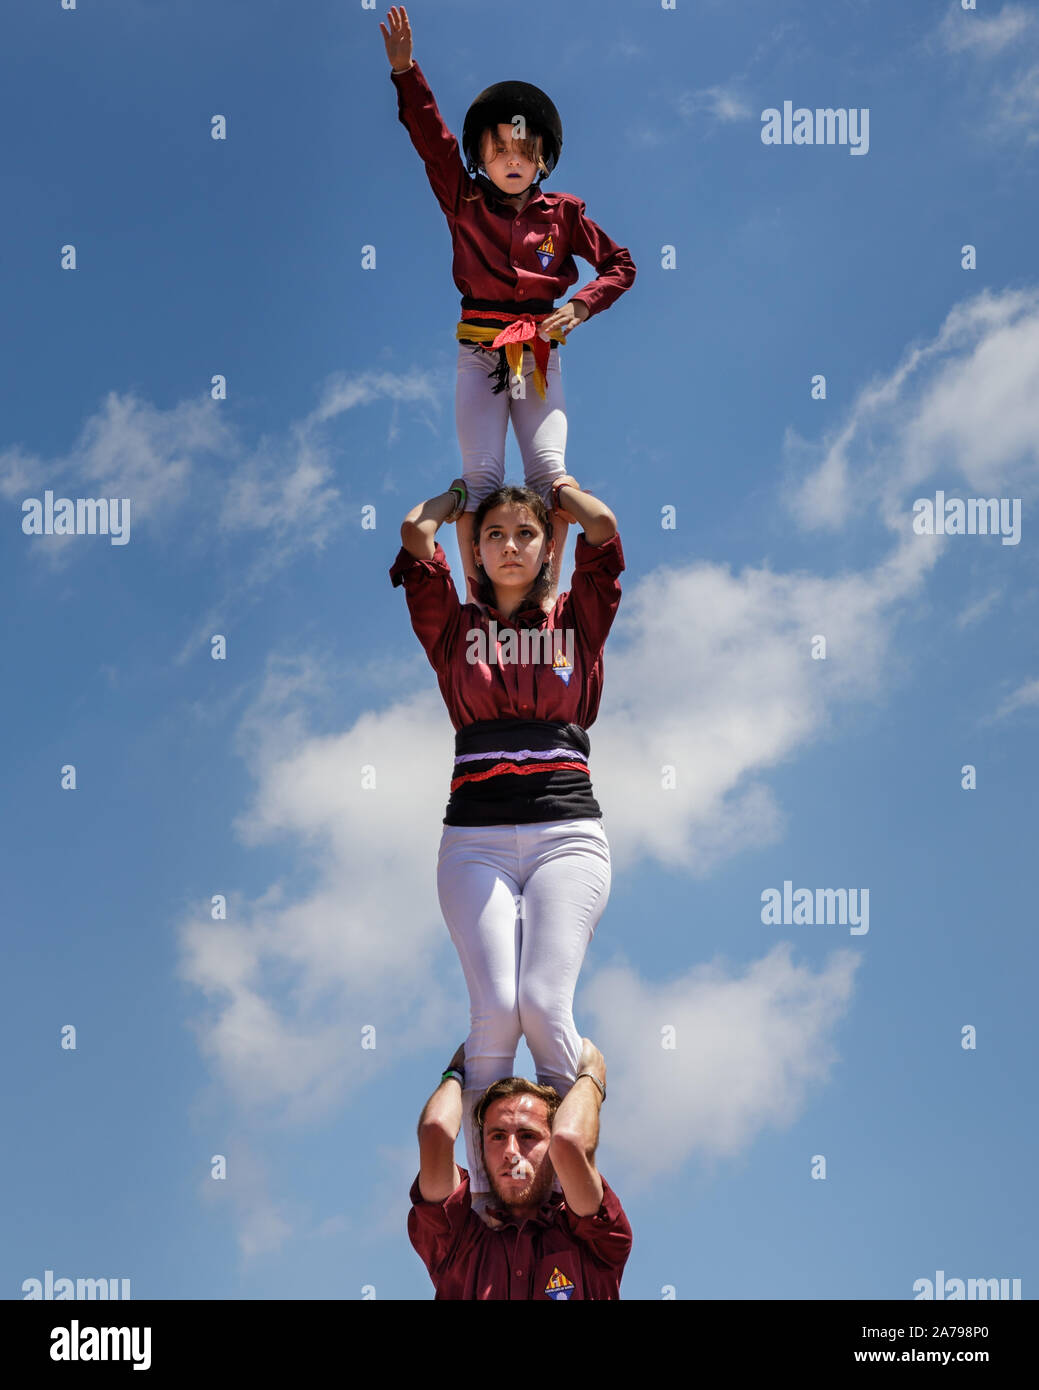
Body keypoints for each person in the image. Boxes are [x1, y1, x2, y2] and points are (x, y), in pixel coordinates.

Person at [389, 474, 623, 1212]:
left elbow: (605, 532)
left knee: (542, 1002)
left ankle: (563, 1189)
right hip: (475, 840)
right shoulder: (455, 629)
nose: (510, 546)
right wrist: (459, 497)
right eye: (494, 537)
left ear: (546, 544)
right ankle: (491, 1201)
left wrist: (556, 489)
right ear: (477, 554)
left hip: (565, 834)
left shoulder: (576, 618)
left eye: (525, 534)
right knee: (492, 1008)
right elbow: (413, 537)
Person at [379, 5, 636, 603]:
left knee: (549, 475)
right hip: (479, 353)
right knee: (482, 479)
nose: (511, 158)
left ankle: (545, 603)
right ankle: (479, 606)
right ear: (481, 158)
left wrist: (581, 305)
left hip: (539, 355)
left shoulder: (565, 214)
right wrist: (405, 72)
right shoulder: (462, 198)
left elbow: (622, 265)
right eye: (497, 149)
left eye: (524, 148)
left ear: (543, 157)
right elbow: (431, 141)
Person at [409, 1036, 631, 1299]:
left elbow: (569, 1141)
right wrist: (453, 1073)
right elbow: (435, 1131)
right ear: (481, 1151)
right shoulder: (459, 1243)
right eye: (498, 1137)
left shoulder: (590, 1238)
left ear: (553, 1151)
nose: (511, 1152)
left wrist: (593, 1077)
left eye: (527, 1136)